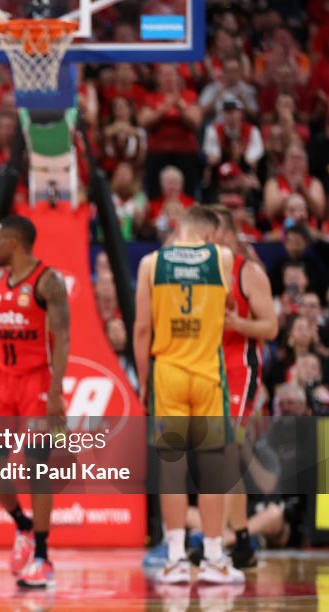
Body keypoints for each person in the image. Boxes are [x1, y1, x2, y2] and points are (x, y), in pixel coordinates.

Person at [134, 205, 244, 585]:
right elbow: (229, 305)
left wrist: (145, 381)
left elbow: (142, 329)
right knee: (213, 469)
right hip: (207, 372)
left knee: (172, 469)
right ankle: (214, 558)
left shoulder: (150, 262)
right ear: (212, 233)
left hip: (168, 372)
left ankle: (177, 559)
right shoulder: (223, 257)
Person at [0, 215, 71, 589]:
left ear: (14, 242)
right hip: (3, 384)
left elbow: (63, 339)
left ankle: (42, 555)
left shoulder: (49, 281)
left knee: (37, 467)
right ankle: (23, 525)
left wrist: (57, 391)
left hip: (37, 383)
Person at [210, 207, 279, 570]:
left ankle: (220, 543)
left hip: (241, 369)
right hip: (205, 368)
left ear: (226, 235)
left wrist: (237, 322)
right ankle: (241, 543)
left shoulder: (248, 272)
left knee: (227, 449)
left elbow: (270, 328)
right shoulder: (197, 273)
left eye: (211, 232)